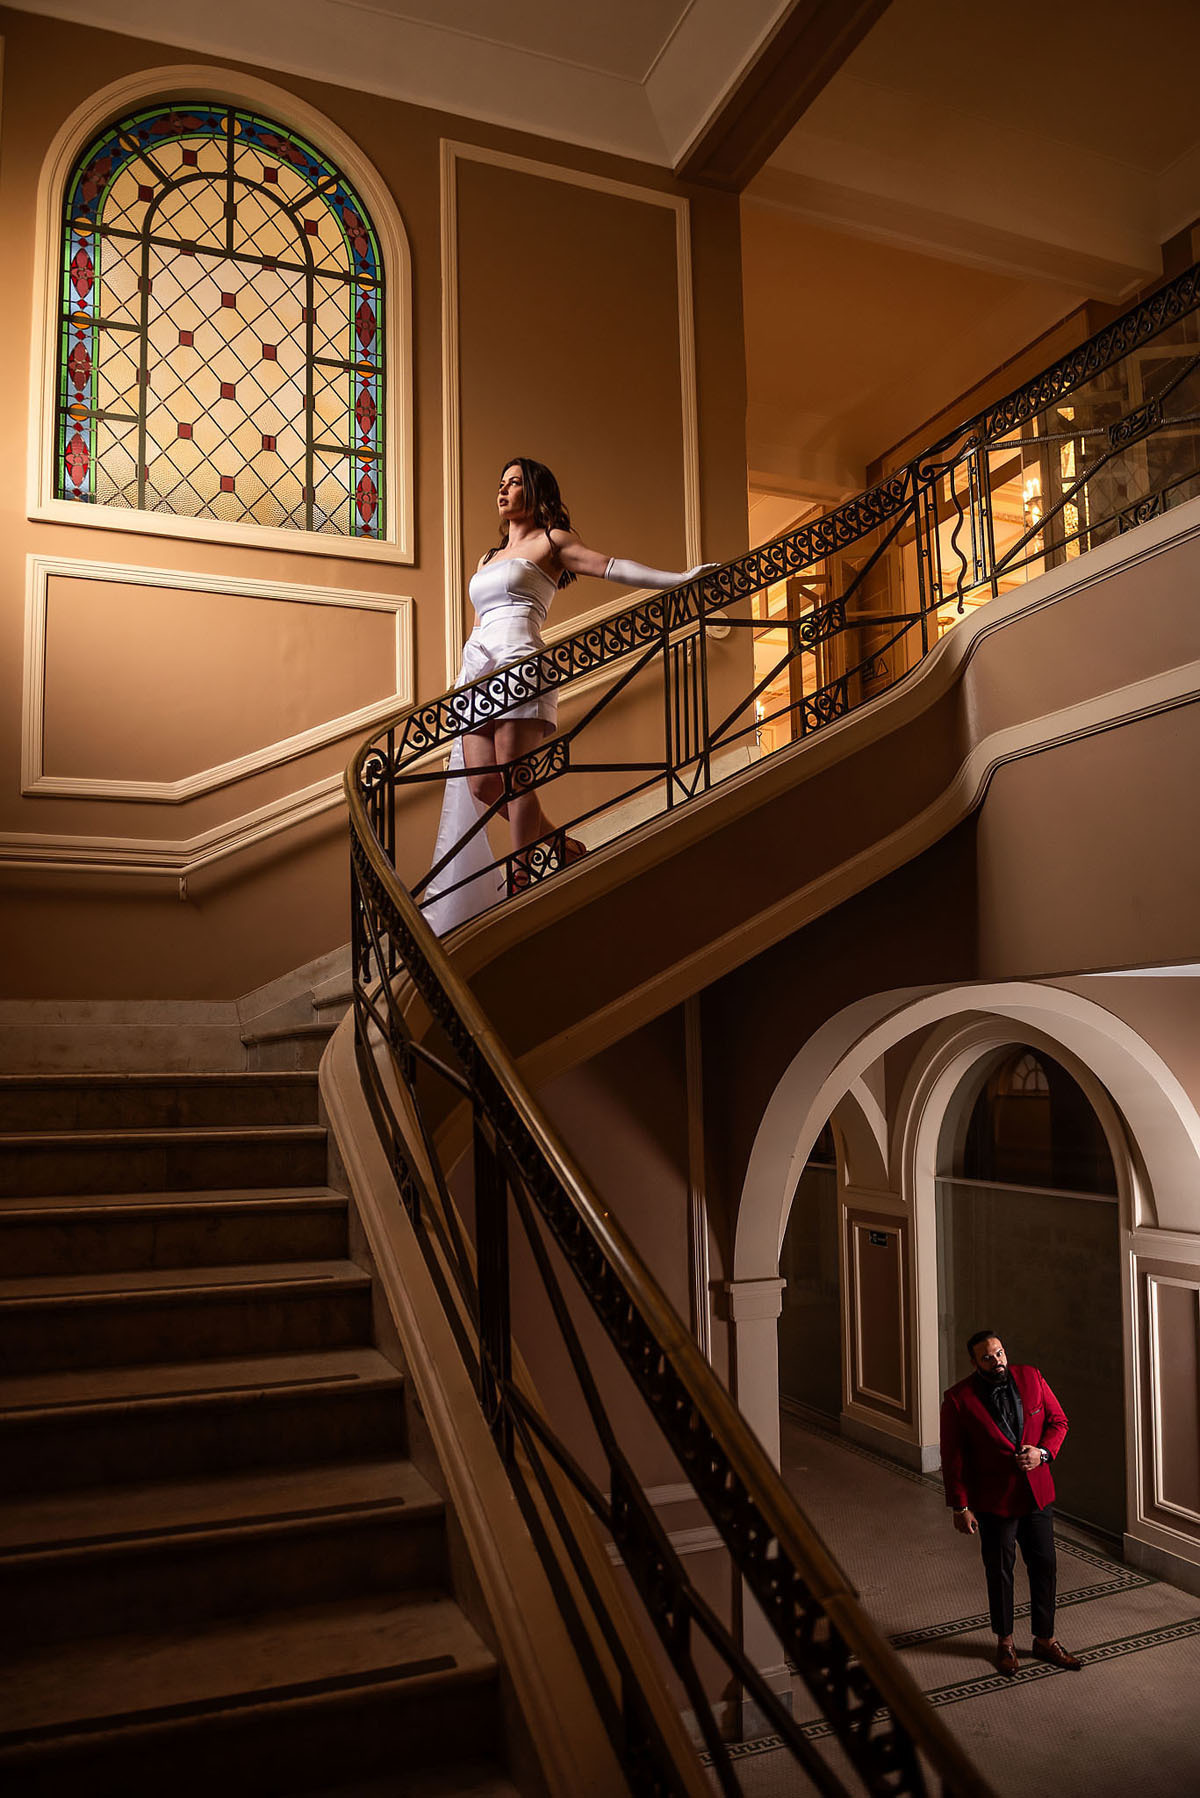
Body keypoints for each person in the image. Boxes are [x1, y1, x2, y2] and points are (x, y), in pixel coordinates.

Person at [424, 456, 710, 935]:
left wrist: (678, 579)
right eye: (501, 483)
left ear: (535, 491)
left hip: (521, 663)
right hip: (479, 671)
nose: (503, 490)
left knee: (515, 778)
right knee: (482, 785)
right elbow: (477, 625)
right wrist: (460, 682)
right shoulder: (486, 558)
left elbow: (612, 567)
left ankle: (521, 883)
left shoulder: (552, 541)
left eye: (515, 483)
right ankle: (562, 848)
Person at [939, 1329, 1083, 1676]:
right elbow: (953, 1457)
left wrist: (1042, 1453)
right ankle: (1005, 1641)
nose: (997, 1361)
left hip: (1036, 1495)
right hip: (993, 1501)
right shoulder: (958, 1399)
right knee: (1000, 1571)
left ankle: (1045, 1639)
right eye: (987, 1357)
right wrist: (960, 1506)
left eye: (1000, 1353)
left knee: (1045, 1565)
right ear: (974, 1362)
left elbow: (1059, 1421)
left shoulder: (1031, 1377)